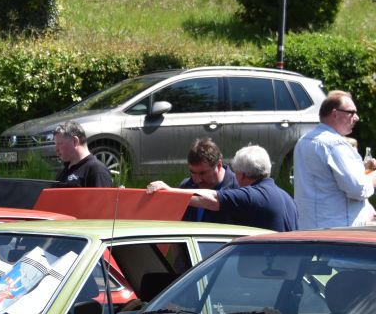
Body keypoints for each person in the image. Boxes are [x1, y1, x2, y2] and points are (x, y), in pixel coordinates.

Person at [146, 145, 297, 231]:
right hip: (288, 267)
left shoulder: (251, 195)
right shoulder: (287, 198)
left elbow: (213, 198)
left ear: (241, 175)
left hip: (264, 269)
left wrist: (170, 192)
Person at [293, 90, 376, 228]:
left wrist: (362, 168)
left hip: (308, 228)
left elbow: (326, 179)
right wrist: (372, 177)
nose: (356, 118)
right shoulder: (335, 145)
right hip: (338, 231)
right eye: (351, 113)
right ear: (335, 114)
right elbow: (358, 189)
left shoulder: (304, 141)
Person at [146, 138, 237, 222]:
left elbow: (216, 201)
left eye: (202, 173)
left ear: (219, 165)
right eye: (193, 172)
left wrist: (173, 193)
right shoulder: (186, 186)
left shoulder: (238, 188)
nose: (197, 180)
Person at [52, 122, 113, 187]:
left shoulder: (97, 170)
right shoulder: (66, 169)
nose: (56, 149)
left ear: (75, 141)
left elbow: (102, 194)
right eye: (55, 144)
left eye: (60, 143)